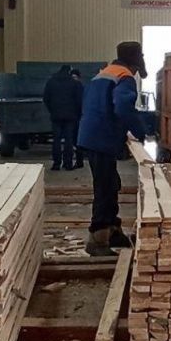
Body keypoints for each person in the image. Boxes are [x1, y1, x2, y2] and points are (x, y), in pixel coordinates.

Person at [78, 41, 147, 256]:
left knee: (111, 183)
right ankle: (97, 239)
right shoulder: (124, 77)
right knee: (105, 189)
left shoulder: (104, 73)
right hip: (102, 138)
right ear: (135, 61)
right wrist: (140, 131)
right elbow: (123, 108)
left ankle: (113, 230)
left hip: (93, 135)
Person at [43, 65, 83, 171]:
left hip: (56, 115)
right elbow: (79, 100)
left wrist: (52, 110)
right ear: (69, 71)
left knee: (56, 140)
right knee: (68, 140)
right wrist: (77, 113)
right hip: (70, 116)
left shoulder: (51, 82)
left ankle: (56, 164)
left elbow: (46, 98)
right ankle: (68, 164)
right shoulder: (74, 83)